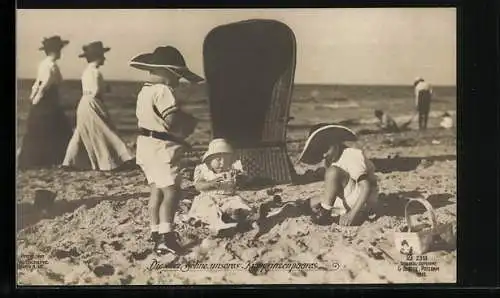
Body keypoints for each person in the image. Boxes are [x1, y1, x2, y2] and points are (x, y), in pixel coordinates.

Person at [129, 46, 203, 255]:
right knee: (172, 191)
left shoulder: (144, 91)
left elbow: (152, 122)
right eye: (178, 76)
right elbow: (171, 121)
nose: (179, 81)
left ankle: (155, 231)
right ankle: (166, 237)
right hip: (162, 149)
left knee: (156, 191)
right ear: (166, 72)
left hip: (145, 146)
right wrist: (188, 122)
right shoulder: (163, 91)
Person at [62, 41, 133, 171]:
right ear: (98, 57)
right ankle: (122, 158)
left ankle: (70, 161)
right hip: (93, 102)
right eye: (102, 56)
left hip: (83, 102)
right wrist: (105, 89)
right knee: (105, 129)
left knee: (80, 131)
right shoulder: (96, 72)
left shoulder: (85, 72)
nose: (104, 59)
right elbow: (96, 91)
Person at [297, 124, 379, 226]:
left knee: (332, 172)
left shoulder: (351, 154)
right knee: (310, 203)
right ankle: (328, 209)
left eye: (325, 149)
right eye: (320, 152)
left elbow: (366, 187)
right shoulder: (332, 158)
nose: (324, 155)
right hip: (350, 195)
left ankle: (325, 213)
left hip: (363, 199)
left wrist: (352, 214)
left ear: (335, 143)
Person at [17, 36, 73, 170]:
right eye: (59, 50)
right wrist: (37, 99)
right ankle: (55, 158)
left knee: (42, 129)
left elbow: (37, 84)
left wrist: (33, 97)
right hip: (48, 100)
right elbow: (44, 85)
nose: (60, 52)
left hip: (46, 100)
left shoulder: (43, 64)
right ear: (54, 51)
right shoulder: (51, 65)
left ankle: (43, 159)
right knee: (55, 128)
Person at [187, 139, 252, 235]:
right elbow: (198, 186)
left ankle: (235, 217)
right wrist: (211, 184)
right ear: (209, 160)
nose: (222, 163)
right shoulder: (204, 170)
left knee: (238, 204)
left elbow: (242, 184)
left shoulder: (232, 169)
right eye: (218, 160)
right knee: (210, 209)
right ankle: (218, 225)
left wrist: (240, 179)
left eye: (226, 160)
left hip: (228, 198)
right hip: (209, 198)